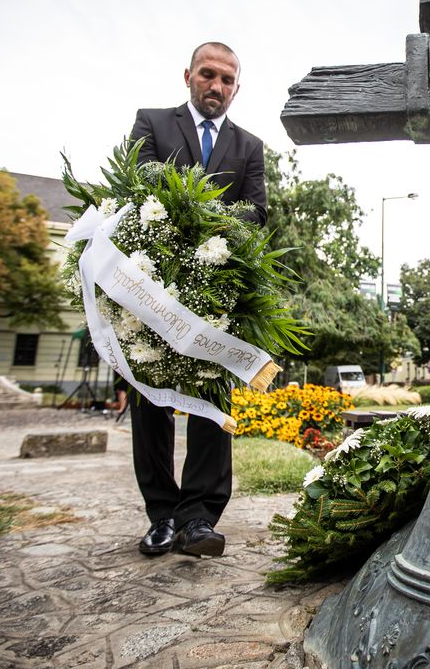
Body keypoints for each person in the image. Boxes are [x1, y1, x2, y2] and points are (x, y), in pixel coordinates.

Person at [125, 42, 267, 558]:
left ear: (236, 88)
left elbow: (256, 212)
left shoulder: (250, 147)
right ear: (188, 75)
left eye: (228, 80)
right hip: (151, 287)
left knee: (212, 403)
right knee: (151, 403)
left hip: (215, 292)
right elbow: (137, 184)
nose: (217, 86)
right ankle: (161, 515)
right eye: (209, 75)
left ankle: (200, 519)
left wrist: (208, 230)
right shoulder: (152, 124)